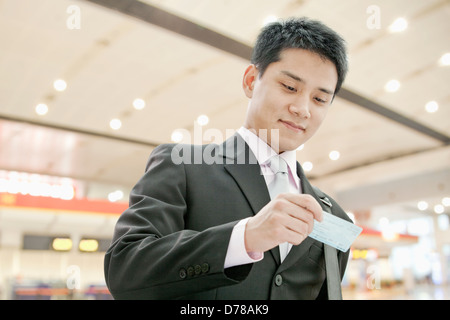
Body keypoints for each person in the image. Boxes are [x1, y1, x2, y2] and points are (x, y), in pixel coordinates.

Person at [104, 17, 351, 300]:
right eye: (289, 87)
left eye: (320, 99)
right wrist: (244, 238)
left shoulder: (332, 217)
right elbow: (125, 270)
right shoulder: (183, 166)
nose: (302, 108)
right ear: (250, 81)